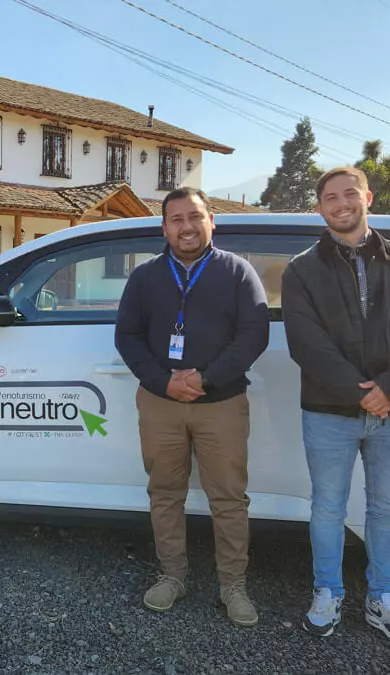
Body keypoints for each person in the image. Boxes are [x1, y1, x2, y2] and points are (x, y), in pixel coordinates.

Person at [282, 166, 390, 644]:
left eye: (349, 193)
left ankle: (383, 597)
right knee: (327, 508)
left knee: (387, 510)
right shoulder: (301, 270)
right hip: (329, 412)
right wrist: (362, 393)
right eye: (330, 197)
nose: (341, 203)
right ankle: (327, 592)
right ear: (320, 208)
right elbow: (306, 343)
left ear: (367, 197)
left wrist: (389, 388)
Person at [115, 186, 270, 625]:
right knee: (164, 494)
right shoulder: (144, 277)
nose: (186, 226)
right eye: (177, 219)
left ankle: (233, 586)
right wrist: (163, 380)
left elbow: (254, 334)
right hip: (160, 403)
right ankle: (172, 576)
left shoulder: (238, 273)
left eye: (195, 216)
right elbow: (127, 336)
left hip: (220, 403)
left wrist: (206, 377)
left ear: (211, 221)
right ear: (164, 228)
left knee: (229, 498)